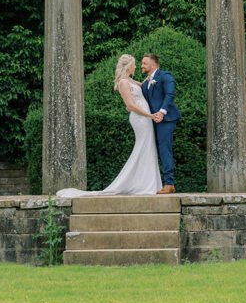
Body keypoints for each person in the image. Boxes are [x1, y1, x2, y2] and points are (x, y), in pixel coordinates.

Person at [56, 54, 162, 198]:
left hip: (145, 118)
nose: (136, 67)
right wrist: (150, 115)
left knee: (147, 147)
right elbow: (130, 105)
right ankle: (141, 183)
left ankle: (147, 182)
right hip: (140, 119)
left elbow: (142, 87)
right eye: (134, 64)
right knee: (143, 146)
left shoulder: (129, 80)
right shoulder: (123, 83)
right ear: (129, 66)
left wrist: (152, 78)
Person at [141, 52, 180, 194]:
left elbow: (170, 94)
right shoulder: (146, 83)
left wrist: (161, 112)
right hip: (152, 120)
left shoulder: (165, 76)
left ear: (152, 65)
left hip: (167, 118)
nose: (142, 66)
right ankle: (154, 182)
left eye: (144, 63)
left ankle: (169, 183)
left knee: (165, 149)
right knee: (153, 150)